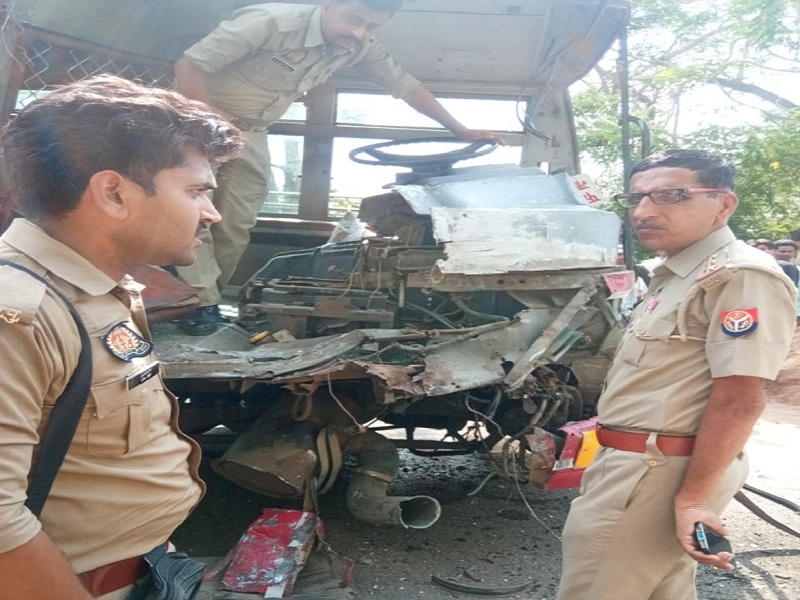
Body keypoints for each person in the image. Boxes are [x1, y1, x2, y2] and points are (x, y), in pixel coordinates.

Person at [0, 75, 243, 599]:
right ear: (113, 193)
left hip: (145, 570)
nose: (212, 213)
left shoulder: (96, 288)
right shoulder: (19, 313)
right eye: (197, 191)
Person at [173, 0, 506, 334]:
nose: (358, 32)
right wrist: (206, 127)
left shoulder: (356, 45)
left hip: (251, 133)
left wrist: (458, 129)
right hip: (199, 122)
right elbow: (191, 65)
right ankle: (200, 305)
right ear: (330, 5)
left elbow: (405, 85)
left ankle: (206, 300)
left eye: (371, 26)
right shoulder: (271, 22)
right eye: (354, 19)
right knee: (193, 217)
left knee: (236, 224)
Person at [556, 149, 797, 600]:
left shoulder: (740, 276)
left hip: (656, 471)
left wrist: (693, 499)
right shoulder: (676, 271)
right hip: (640, 463)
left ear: (723, 204)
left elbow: (741, 398)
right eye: (635, 198)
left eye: (670, 196)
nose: (644, 211)